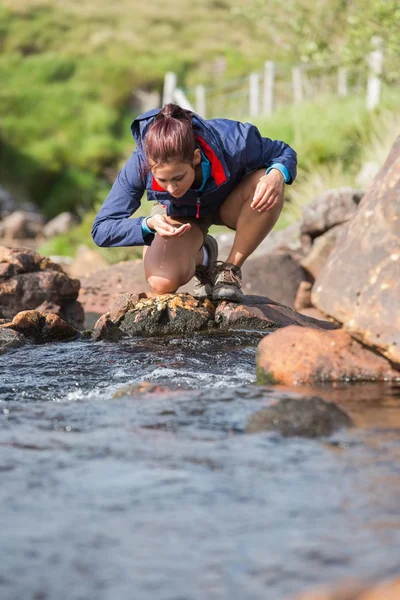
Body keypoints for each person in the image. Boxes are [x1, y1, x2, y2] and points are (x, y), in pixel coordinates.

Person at [92, 103, 297, 302]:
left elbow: (284, 152)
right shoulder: (139, 163)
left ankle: (229, 271)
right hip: (182, 217)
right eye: (162, 180)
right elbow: (101, 229)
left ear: (196, 157)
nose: (172, 188)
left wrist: (277, 173)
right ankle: (205, 256)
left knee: (267, 180)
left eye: (178, 178)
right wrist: (148, 224)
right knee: (161, 282)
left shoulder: (233, 140)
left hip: (231, 203)